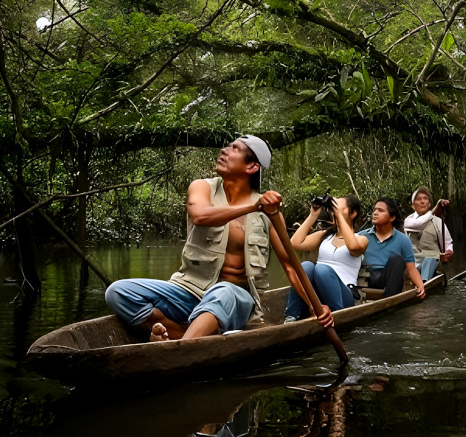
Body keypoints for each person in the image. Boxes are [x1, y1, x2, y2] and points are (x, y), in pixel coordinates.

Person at [104, 135, 332, 341]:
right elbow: (199, 215)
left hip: (235, 299)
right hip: (189, 291)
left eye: (235, 149)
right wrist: (253, 206)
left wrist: (315, 306)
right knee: (118, 293)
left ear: (252, 166)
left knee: (222, 291)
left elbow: (290, 267)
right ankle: (186, 337)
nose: (224, 150)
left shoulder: (269, 212)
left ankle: (178, 349)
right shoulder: (202, 187)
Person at [284, 195, 368, 322]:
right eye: (332, 208)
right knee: (307, 265)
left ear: (353, 213)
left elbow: (353, 248)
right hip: (317, 296)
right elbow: (294, 244)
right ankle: (291, 316)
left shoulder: (360, 239)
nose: (333, 212)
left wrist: (339, 216)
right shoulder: (325, 236)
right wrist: (313, 215)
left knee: (321, 268)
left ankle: (336, 316)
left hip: (343, 295)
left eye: (339, 208)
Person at [357, 197, 425, 299]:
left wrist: (421, 286)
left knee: (397, 259)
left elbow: (411, 269)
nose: (375, 213)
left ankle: (390, 301)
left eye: (380, 210)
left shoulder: (403, 240)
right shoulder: (361, 236)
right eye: (374, 210)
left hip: (389, 279)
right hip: (365, 278)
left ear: (392, 217)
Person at [403, 187, 454, 263]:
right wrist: (436, 208)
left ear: (429, 204)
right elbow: (420, 223)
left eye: (425, 198)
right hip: (413, 262)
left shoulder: (438, 222)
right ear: (413, 206)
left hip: (433, 261)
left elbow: (448, 243)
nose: (422, 201)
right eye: (418, 199)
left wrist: (448, 251)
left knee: (430, 259)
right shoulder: (408, 221)